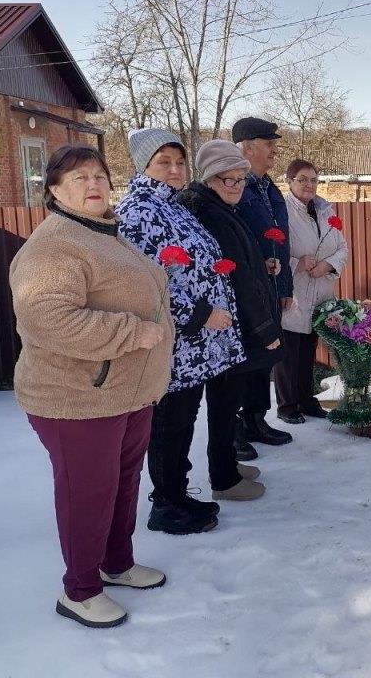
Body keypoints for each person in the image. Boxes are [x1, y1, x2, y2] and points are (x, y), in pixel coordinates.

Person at [10, 144, 173, 628]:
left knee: (121, 484)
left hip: (125, 391)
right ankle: (79, 591)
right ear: (55, 192)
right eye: (78, 178)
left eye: (99, 174)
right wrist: (132, 332)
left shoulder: (105, 232)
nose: (93, 184)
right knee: (88, 492)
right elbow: (48, 318)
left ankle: (116, 563)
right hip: (76, 398)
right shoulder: (53, 245)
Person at [118, 128, 251, 534]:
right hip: (176, 342)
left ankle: (177, 492)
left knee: (183, 420)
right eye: (164, 162)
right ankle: (167, 504)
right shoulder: (138, 211)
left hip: (196, 346)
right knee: (170, 423)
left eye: (179, 162)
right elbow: (143, 283)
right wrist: (198, 315)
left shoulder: (171, 205)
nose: (174, 170)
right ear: (143, 165)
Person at [177, 140, 285, 502]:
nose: (237, 186)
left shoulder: (220, 208)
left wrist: (263, 263)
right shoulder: (210, 213)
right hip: (227, 329)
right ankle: (223, 478)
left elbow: (241, 264)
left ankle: (226, 468)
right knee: (224, 406)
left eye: (241, 179)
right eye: (229, 180)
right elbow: (237, 280)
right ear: (209, 179)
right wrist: (266, 330)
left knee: (228, 404)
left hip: (230, 328)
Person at [231, 116, 294, 452]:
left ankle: (257, 418)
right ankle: (237, 426)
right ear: (247, 147)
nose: (274, 151)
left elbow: (280, 244)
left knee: (265, 354)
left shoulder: (268, 188)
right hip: (244, 290)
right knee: (245, 355)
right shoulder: (234, 187)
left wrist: (284, 287)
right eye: (269, 144)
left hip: (270, 287)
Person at [274, 159, 349, 424]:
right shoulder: (280, 211)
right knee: (288, 353)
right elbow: (272, 250)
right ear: (289, 181)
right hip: (294, 291)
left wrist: (329, 264)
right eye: (302, 179)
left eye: (313, 179)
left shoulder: (326, 211)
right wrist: (298, 263)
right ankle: (287, 406)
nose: (309, 184)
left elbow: (342, 248)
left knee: (308, 350)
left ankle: (306, 400)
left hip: (321, 290)